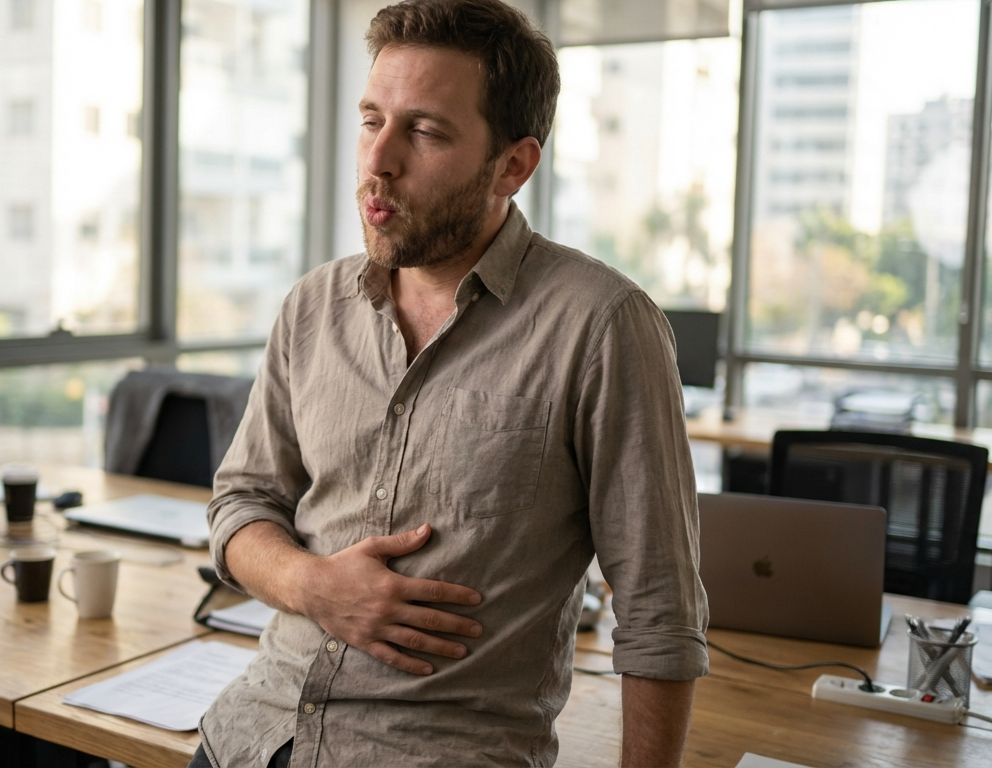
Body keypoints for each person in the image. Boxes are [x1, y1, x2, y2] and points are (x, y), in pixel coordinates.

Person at [194, 0, 708, 765]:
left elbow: (659, 611)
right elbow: (240, 506)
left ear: (514, 164)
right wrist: (313, 585)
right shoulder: (313, 306)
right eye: (372, 121)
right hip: (254, 734)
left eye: (425, 131)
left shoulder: (602, 325)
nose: (379, 160)